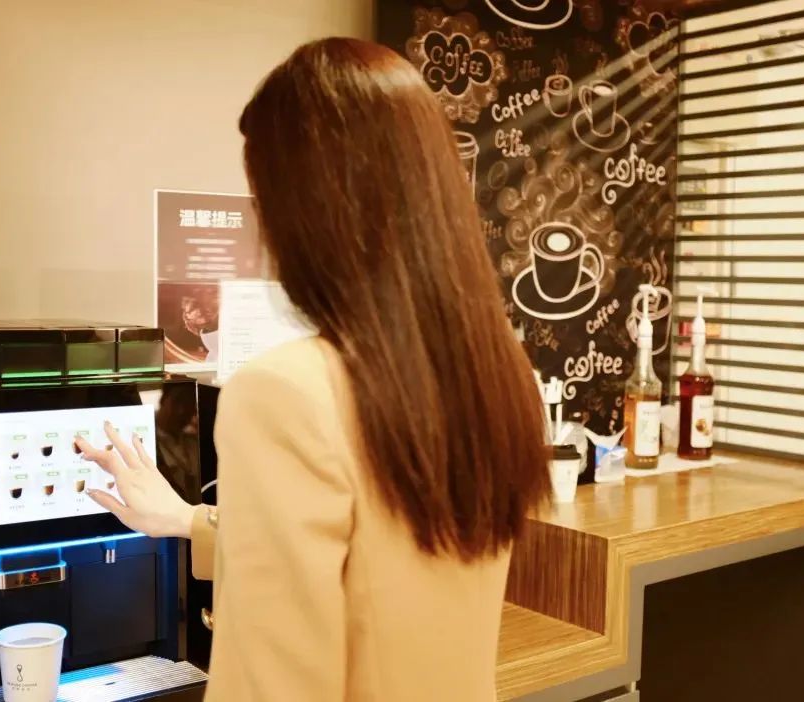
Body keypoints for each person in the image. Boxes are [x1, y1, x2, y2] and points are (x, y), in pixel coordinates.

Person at [74, 37, 550, 702]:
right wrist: (187, 520)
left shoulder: (283, 392)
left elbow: (275, 683)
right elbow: (383, 554)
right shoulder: (500, 377)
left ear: (307, 213)